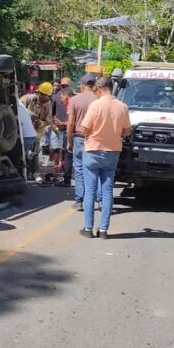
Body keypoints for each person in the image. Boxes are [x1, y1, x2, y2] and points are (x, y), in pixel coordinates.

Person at [78, 77, 130, 239]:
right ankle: (104, 230)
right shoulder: (123, 107)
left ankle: (88, 228)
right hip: (112, 152)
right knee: (107, 191)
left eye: (96, 92)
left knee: (90, 191)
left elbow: (84, 128)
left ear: (100, 89)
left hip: (93, 151)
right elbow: (127, 131)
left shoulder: (96, 105)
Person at [66, 74, 98, 211]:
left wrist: (69, 141)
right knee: (94, 169)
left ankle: (79, 201)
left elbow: (70, 123)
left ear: (82, 85)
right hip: (95, 138)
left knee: (79, 169)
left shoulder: (74, 100)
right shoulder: (99, 100)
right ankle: (97, 199)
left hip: (79, 137)